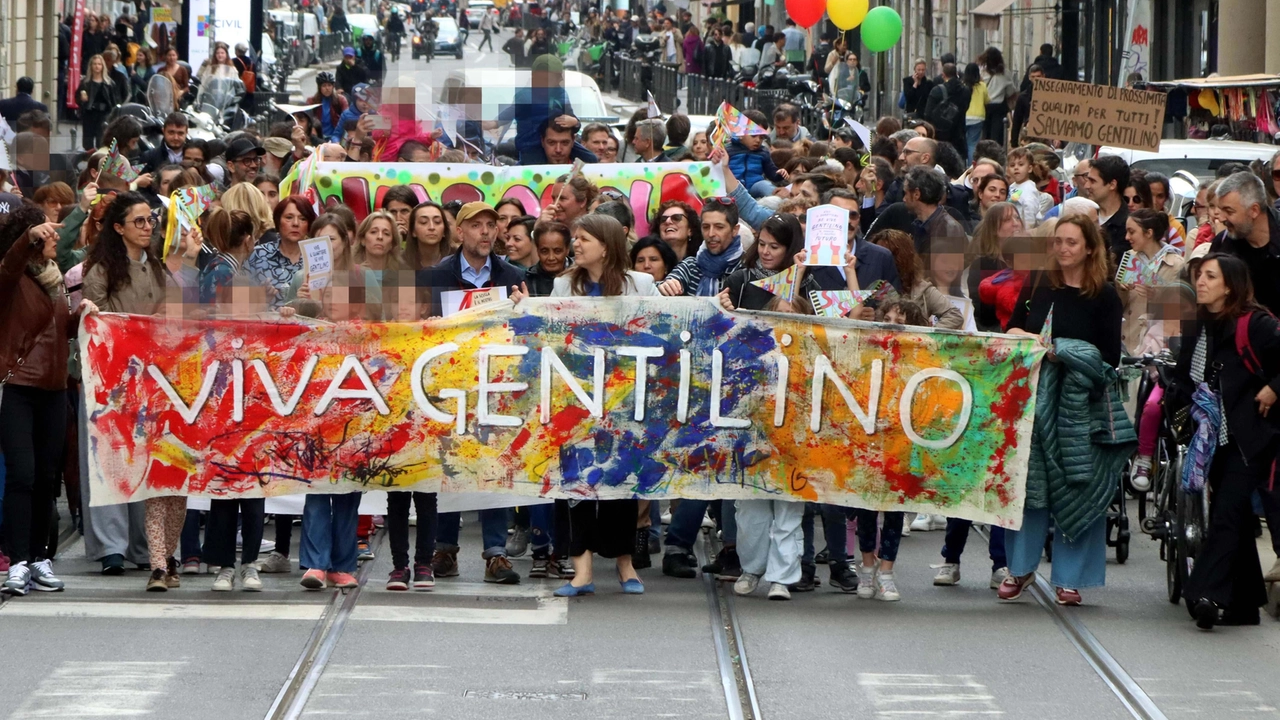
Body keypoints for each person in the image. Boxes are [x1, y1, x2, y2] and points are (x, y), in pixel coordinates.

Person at [509, 215, 655, 596]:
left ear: (605, 245)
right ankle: (582, 571)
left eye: (583, 239)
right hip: (573, 402)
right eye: (576, 238)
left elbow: (662, 333)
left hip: (622, 402)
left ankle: (626, 566)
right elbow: (546, 332)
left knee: (621, 482)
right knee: (575, 484)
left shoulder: (641, 284)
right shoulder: (562, 284)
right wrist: (526, 308)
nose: (576, 245)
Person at [1000, 215, 1128, 606]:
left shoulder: (1105, 296)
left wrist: (1061, 351)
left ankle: (1070, 578)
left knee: (1079, 488)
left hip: (1080, 406)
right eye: (1058, 242)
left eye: (1072, 242)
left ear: (1090, 248)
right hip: (1035, 401)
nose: (1063, 249)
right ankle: (1020, 569)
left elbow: (1110, 356)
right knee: (1030, 487)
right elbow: (1013, 331)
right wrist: (1028, 340)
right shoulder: (1039, 284)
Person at [416, 202, 525, 584]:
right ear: (459, 232)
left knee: (494, 463)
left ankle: (495, 552)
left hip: (497, 387)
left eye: (490, 225)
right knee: (449, 463)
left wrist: (522, 310)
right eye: (476, 225)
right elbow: (413, 329)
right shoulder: (433, 276)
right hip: (449, 386)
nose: (484, 232)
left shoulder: (514, 276)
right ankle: (445, 548)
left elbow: (527, 332)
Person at [82, 192, 183, 592]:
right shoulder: (103, 267)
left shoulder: (159, 268)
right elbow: (98, 315)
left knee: (148, 458)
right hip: (111, 378)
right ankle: (111, 547)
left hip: (153, 378)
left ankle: (149, 550)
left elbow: (173, 313)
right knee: (110, 455)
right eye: (138, 221)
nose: (147, 227)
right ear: (119, 228)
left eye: (150, 221)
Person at [1176, 254, 1280, 629]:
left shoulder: (1257, 324)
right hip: (1212, 436)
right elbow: (1186, 376)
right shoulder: (1200, 324)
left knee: (1225, 516)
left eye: (1209, 276)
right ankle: (1245, 603)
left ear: (1230, 286)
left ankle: (1204, 592)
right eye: (1199, 275)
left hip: (1250, 438)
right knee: (1232, 515)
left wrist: (1273, 388)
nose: (1200, 282)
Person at [0, 210, 92, 595]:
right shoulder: (12, 277)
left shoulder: (55, 279)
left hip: (55, 389)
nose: (57, 237)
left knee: (46, 480)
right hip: (19, 387)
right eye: (49, 232)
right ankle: (17, 562)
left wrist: (80, 316)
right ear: (32, 237)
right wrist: (27, 240)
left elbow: (56, 331)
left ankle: (40, 558)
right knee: (22, 476)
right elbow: (9, 264)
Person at [871, 229, 964, 328]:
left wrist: (927, 337)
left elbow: (954, 315)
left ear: (902, 257)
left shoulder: (921, 288)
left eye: (887, 254)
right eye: (878, 254)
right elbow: (853, 312)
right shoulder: (867, 283)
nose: (882, 259)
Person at [247, 195, 314, 310]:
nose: (296, 223)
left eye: (303, 219)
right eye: (289, 217)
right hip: (265, 323)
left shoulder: (316, 256)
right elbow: (239, 300)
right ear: (278, 222)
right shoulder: (257, 255)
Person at [903, 166, 966, 256]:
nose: (904, 199)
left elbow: (950, 267)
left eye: (906, 193)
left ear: (917, 194)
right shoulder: (919, 225)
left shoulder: (949, 229)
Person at [1086, 155, 1131, 261]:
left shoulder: (1128, 226)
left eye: (1093, 181)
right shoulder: (1084, 214)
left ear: (1112, 185)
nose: (1086, 186)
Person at [924, 62, 970, 160]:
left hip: (941, 135)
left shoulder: (937, 90)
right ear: (956, 73)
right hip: (959, 135)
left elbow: (927, 114)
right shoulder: (966, 91)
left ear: (943, 75)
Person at [78, 55, 115, 150]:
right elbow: (77, 97)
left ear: (103, 66)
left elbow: (113, 100)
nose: (97, 66)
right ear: (91, 66)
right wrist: (81, 98)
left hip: (103, 114)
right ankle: (90, 159)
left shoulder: (109, 83)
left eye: (99, 64)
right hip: (89, 114)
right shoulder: (85, 82)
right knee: (88, 142)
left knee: (101, 140)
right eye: (94, 64)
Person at [405, 200, 454, 271]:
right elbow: (404, 282)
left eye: (437, 222)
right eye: (423, 222)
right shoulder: (401, 262)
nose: (431, 227)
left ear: (444, 230)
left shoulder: (458, 259)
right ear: (413, 231)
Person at [979, 47, 1014, 144]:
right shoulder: (1005, 73)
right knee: (997, 135)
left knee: (985, 133)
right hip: (999, 107)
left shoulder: (981, 72)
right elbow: (1010, 91)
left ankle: (985, 153)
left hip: (984, 106)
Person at [309, 72, 350, 144]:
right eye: (324, 86)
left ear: (333, 86)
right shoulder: (312, 101)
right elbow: (308, 119)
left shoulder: (340, 100)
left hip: (336, 136)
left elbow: (347, 118)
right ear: (319, 87)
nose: (327, 88)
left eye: (329, 85)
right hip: (318, 137)